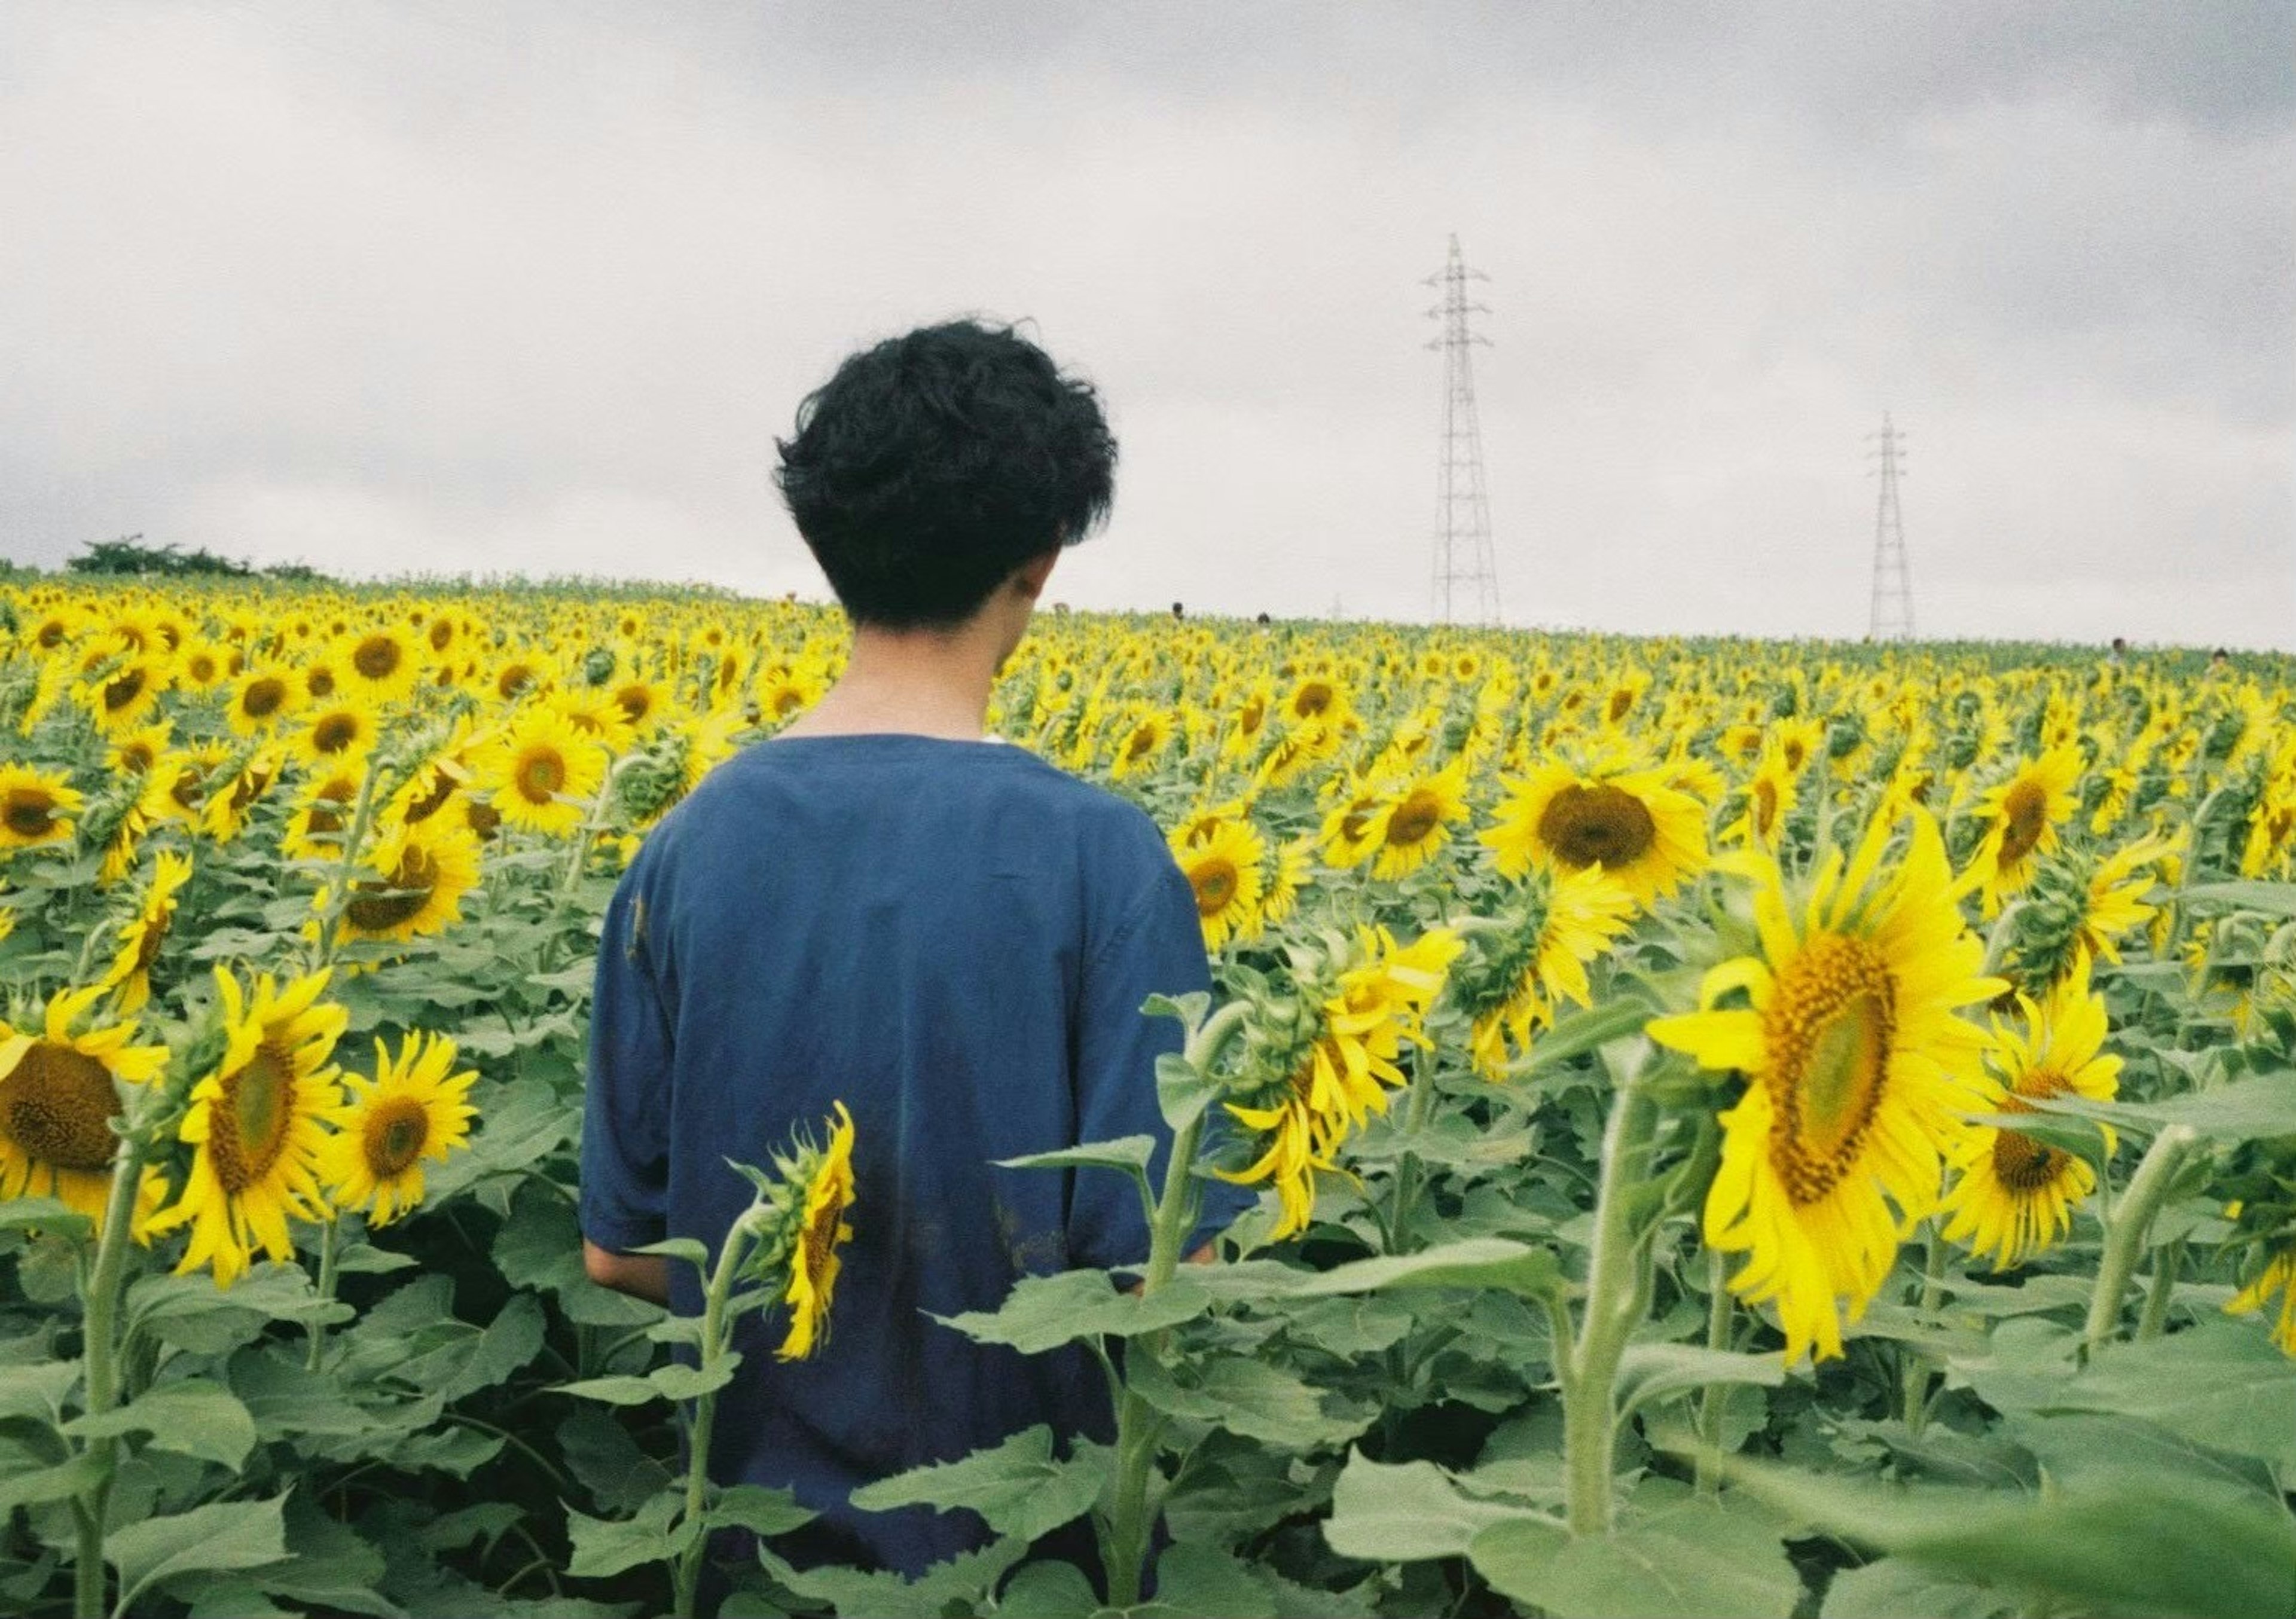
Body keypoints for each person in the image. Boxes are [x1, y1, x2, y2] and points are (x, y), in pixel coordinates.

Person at [579, 318, 1247, 1581]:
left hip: (749, 1560)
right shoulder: (1104, 860)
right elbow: (1162, 1269)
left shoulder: (684, 848)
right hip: (1024, 1564)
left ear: (825, 545)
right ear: (1042, 558)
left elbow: (622, 1246)